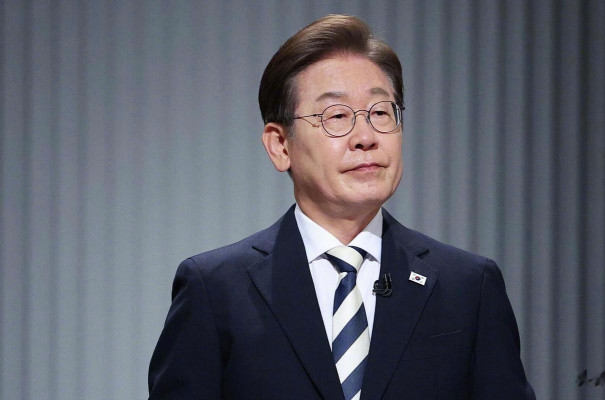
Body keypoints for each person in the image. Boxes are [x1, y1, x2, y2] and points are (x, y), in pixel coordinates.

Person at [148, 14, 535, 400]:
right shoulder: (216, 290)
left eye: (380, 113)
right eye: (337, 116)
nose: (365, 137)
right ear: (280, 146)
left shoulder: (468, 287)